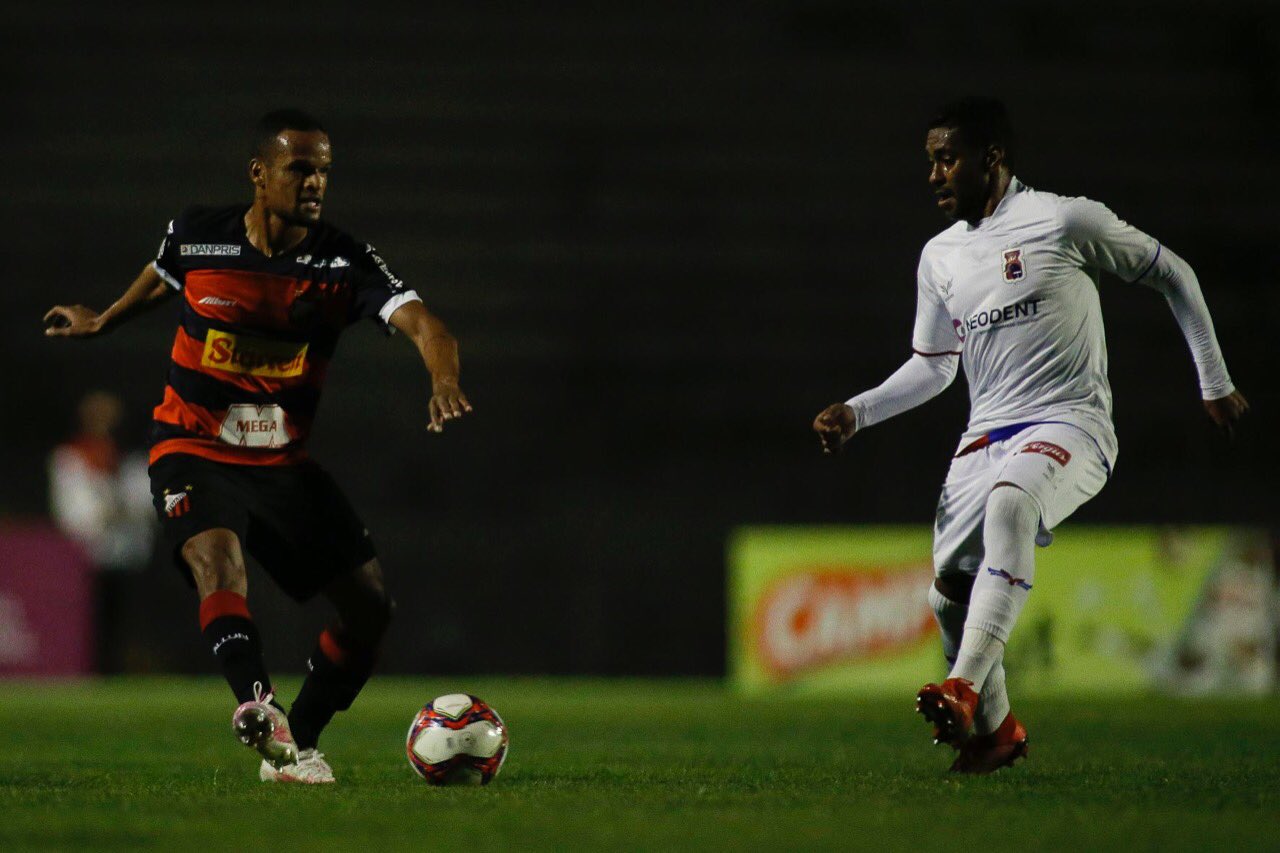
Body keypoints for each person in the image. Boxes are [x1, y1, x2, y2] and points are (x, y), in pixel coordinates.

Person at [811, 98, 1248, 774]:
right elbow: (935, 364)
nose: (933, 175)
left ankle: (965, 683)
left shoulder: (1064, 219)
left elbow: (1172, 272)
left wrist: (1213, 381)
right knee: (948, 591)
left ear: (992, 159)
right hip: (983, 438)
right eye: (929, 161)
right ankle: (995, 733)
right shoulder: (940, 257)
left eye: (946, 159)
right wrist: (857, 410)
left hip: (1071, 423)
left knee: (1010, 505)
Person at [44, 109, 472, 784]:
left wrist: (443, 377)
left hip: (280, 462)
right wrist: (104, 318)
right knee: (219, 562)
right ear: (259, 173)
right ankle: (257, 705)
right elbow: (164, 272)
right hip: (190, 442)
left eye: (324, 170)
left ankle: (295, 741)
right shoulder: (199, 234)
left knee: (369, 607)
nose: (314, 183)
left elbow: (427, 325)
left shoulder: (341, 260)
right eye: (300, 168)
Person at [48, 390, 156, 673]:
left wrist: (121, 506)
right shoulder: (73, 456)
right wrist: (110, 508)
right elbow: (76, 513)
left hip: (132, 555)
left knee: (132, 621)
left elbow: (150, 501)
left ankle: (132, 670)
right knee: (93, 624)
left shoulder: (131, 456)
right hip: (88, 558)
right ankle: (93, 671)